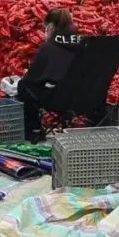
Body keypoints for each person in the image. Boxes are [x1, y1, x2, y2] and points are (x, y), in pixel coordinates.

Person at [17, 8, 82, 141]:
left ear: (51, 26)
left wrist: (27, 75)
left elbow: (33, 78)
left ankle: (34, 129)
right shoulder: (84, 44)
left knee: (23, 85)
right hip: (84, 97)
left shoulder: (48, 47)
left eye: (45, 27)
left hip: (57, 99)